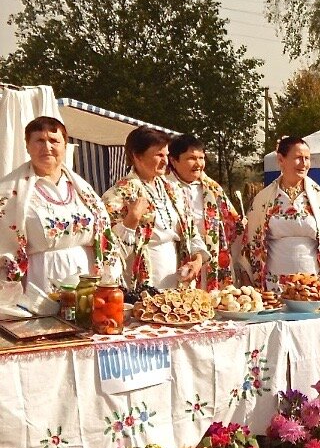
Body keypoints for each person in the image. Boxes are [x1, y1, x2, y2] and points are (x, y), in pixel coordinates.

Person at [0, 117, 121, 307]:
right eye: (39, 140)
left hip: (86, 283)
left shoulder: (83, 190)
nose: (47, 147)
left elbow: (103, 237)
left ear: (65, 145)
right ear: (27, 146)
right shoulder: (8, 193)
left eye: (54, 141)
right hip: (40, 283)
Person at [103, 126, 208, 290]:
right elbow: (109, 248)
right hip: (142, 280)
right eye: (159, 155)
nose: (165, 161)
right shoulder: (119, 195)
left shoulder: (172, 189)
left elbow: (190, 229)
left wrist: (198, 259)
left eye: (166, 155)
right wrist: (131, 220)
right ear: (137, 156)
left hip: (176, 276)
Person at [244, 136, 320, 292]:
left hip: (312, 285)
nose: (304, 164)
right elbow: (251, 241)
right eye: (298, 158)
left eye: (307, 158)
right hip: (273, 285)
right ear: (281, 160)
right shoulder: (263, 200)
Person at [166, 134, 244, 292]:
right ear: (173, 160)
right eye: (191, 158)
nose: (198, 164)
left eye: (201, 158)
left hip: (211, 254)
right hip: (178, 255)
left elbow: (232, 224)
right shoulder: (164, 187)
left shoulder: (211, 187)